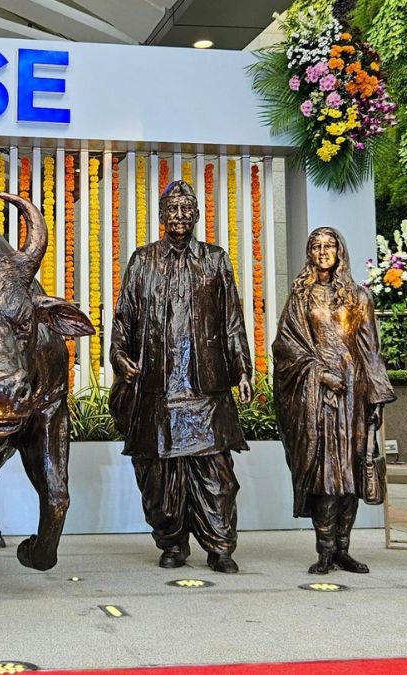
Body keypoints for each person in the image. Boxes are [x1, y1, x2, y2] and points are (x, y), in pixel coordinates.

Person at [108, 180, 253, 574]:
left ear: (197, 215)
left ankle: (220, 547)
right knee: (159, 478)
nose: (179, 216)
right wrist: (119, 356)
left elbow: (232, 320)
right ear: (161, 216)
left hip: (206, 389)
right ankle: (172, 543)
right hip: (158, 390)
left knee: (216, 478)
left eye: (186, 209)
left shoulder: (215, 260)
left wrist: (242, 369)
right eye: (172, 209)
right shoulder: (143, 261)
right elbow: (124, 317)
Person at [273, 227, 394, 574]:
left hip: (354, 394)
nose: (323, 251)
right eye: (316, 246)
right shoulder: (301, 296)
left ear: (340, 251)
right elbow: (285, 347)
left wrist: (377, 396)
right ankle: (325, 550)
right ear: (309, 252)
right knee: (326, 475)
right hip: (318, 398)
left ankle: (344, 548)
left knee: (352, 474)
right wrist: (319, 374)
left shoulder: (358, 297)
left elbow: (370, 349)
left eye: (329, 246)